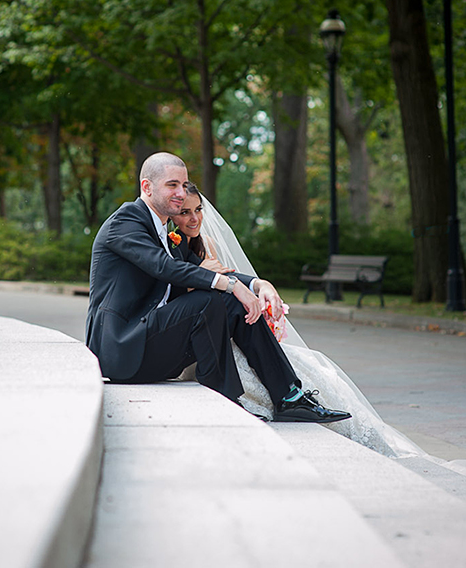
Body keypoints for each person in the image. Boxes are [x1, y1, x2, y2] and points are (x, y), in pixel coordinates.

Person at [169, 186, 466, 479]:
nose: (194, 218)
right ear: (173, 215)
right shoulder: (171, 246)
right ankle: (282, 397)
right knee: (249, 333)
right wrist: (199, 276)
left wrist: (258, 284)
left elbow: (229, 280)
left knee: (308, 362)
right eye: (185, 212)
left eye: (198, 210)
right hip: (204, 336)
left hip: (231, 328)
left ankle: (295, 398)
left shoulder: (205, 243)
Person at [85, 152, 349, 424]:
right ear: (147, 187)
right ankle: (227, 402)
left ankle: (289, 397)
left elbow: (203, 268)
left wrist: (258, 285)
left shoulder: (166, 233)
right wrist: (231, 286)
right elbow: (164, 267)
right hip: (124, 350)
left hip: (152, 343)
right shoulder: (125, 222)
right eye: (172, 185)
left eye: (183, 185)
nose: (180, 192)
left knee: (231, 302)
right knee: (208, 301)